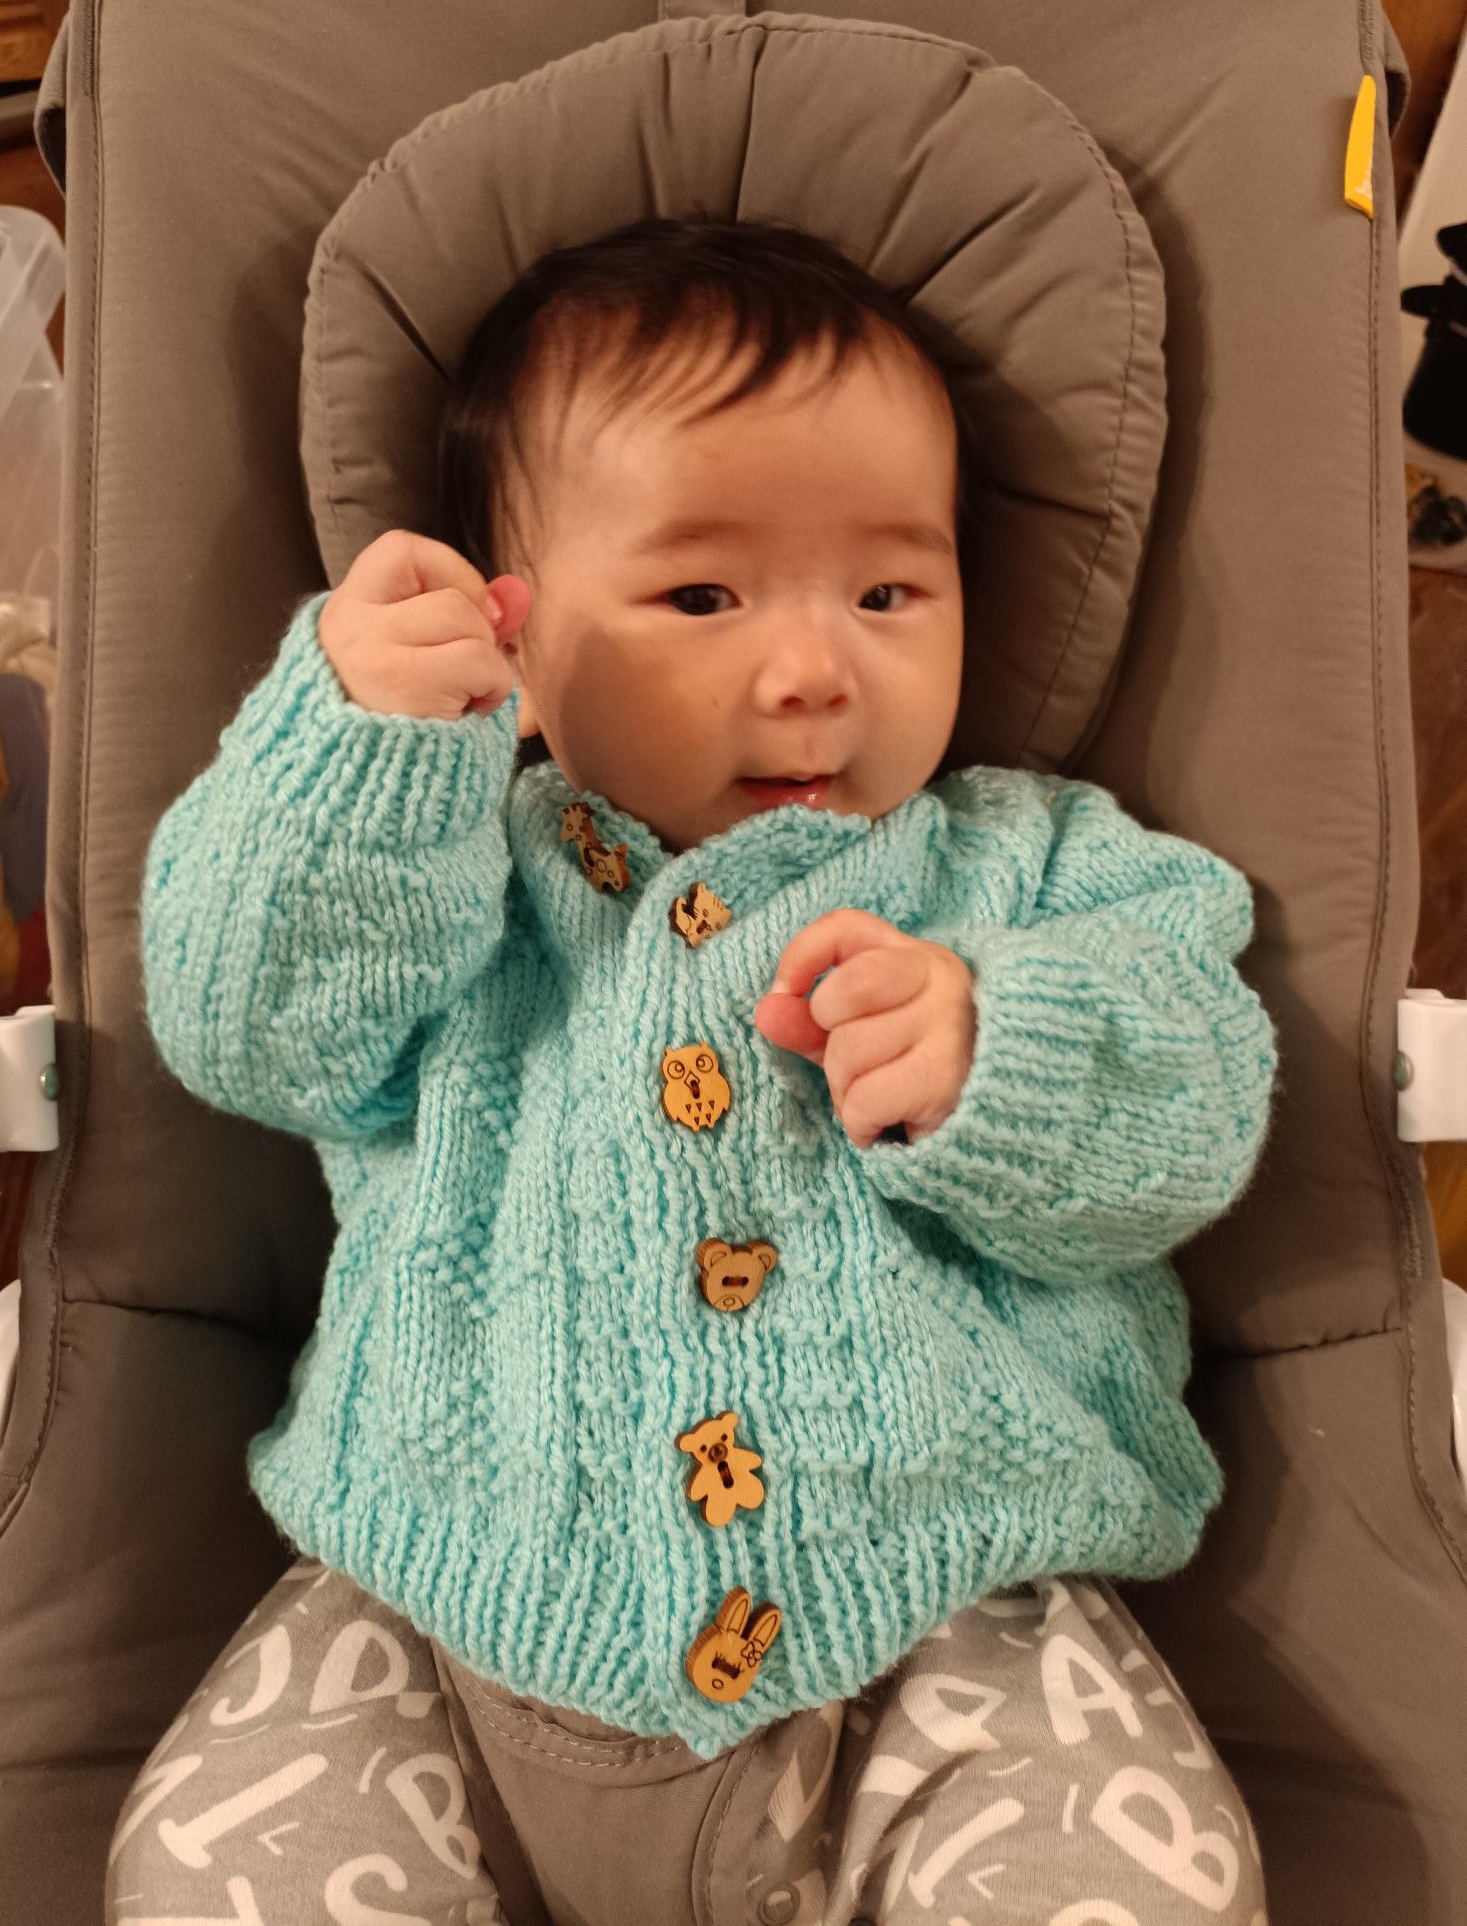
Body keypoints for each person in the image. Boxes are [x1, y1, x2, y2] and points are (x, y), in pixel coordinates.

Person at [109, 217, 1278, 1925]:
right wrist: (351, 758)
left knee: (1133, 1889)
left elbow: (1198, 1108)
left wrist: (996, 1051)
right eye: (701, 596)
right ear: (513, 631)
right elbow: (244, 1029)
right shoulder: (451, 870)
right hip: (438, 1607)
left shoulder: (1031, 871)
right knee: (212, 1872)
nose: (814, 671)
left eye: (890, 591)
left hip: (949, 1625)